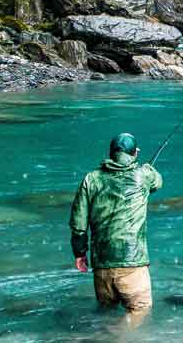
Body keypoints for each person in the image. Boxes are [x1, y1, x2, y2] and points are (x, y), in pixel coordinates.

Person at [70, 132, 163, 320]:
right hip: (132, 265)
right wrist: (147, 168)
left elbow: (78, 222)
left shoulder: (91, 179)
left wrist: (80, 253)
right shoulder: (144, 175)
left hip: (101, 267)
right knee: (140, 315)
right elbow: (157, 183)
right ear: (135, 153)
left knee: (106, 318)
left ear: (111, 153)